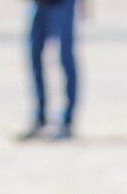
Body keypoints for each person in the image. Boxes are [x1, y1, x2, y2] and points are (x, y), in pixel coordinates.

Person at [17, 0, 78, 142]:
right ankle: (40, 118)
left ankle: (67, 121)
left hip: (63, 3)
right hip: (40, 4)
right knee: (34, 56)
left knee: (65, 58)